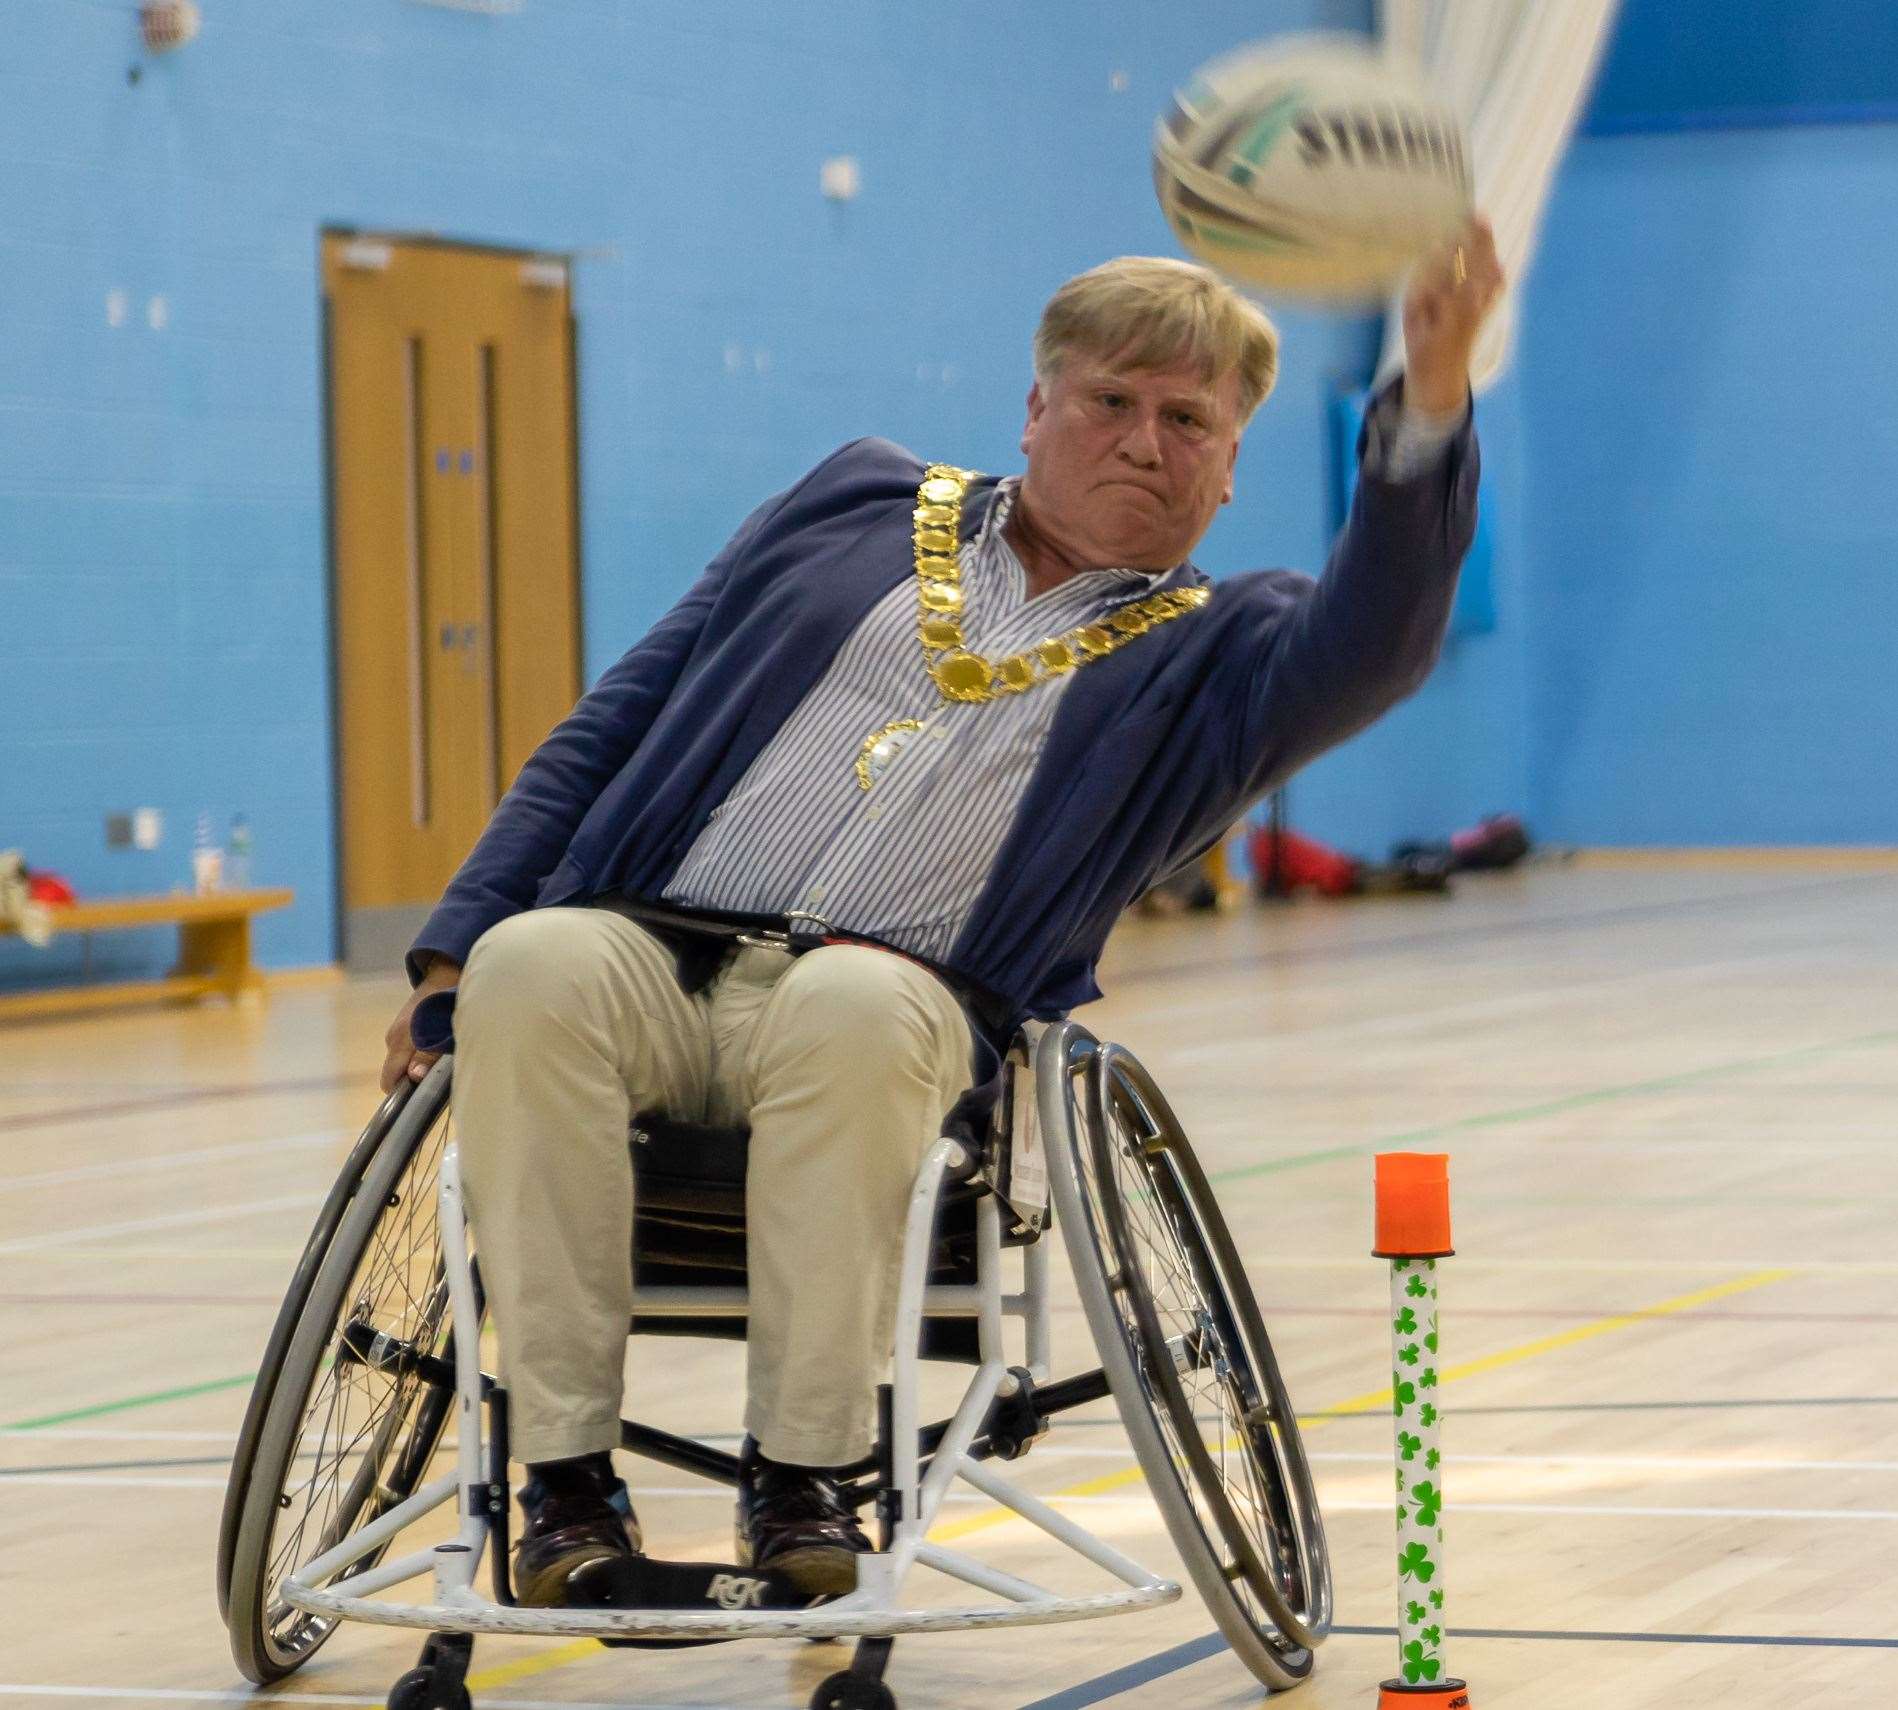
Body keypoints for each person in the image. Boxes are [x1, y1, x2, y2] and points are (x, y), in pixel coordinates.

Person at [382, 220, 1502, 1608]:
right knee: (532, 960)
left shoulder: (1228, 651)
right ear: (1036, 408)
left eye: (1186, 421)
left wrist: (1432, 395)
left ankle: (799, 1477)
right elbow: (612, 723)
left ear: (1226, 469)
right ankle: (559, 1483)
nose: (1143, 440)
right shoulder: (848, 505)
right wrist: (451, 953)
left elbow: (1381, 636)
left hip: (900, 1008)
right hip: (653, 958)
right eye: (1109, 402)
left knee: (851, 1000)